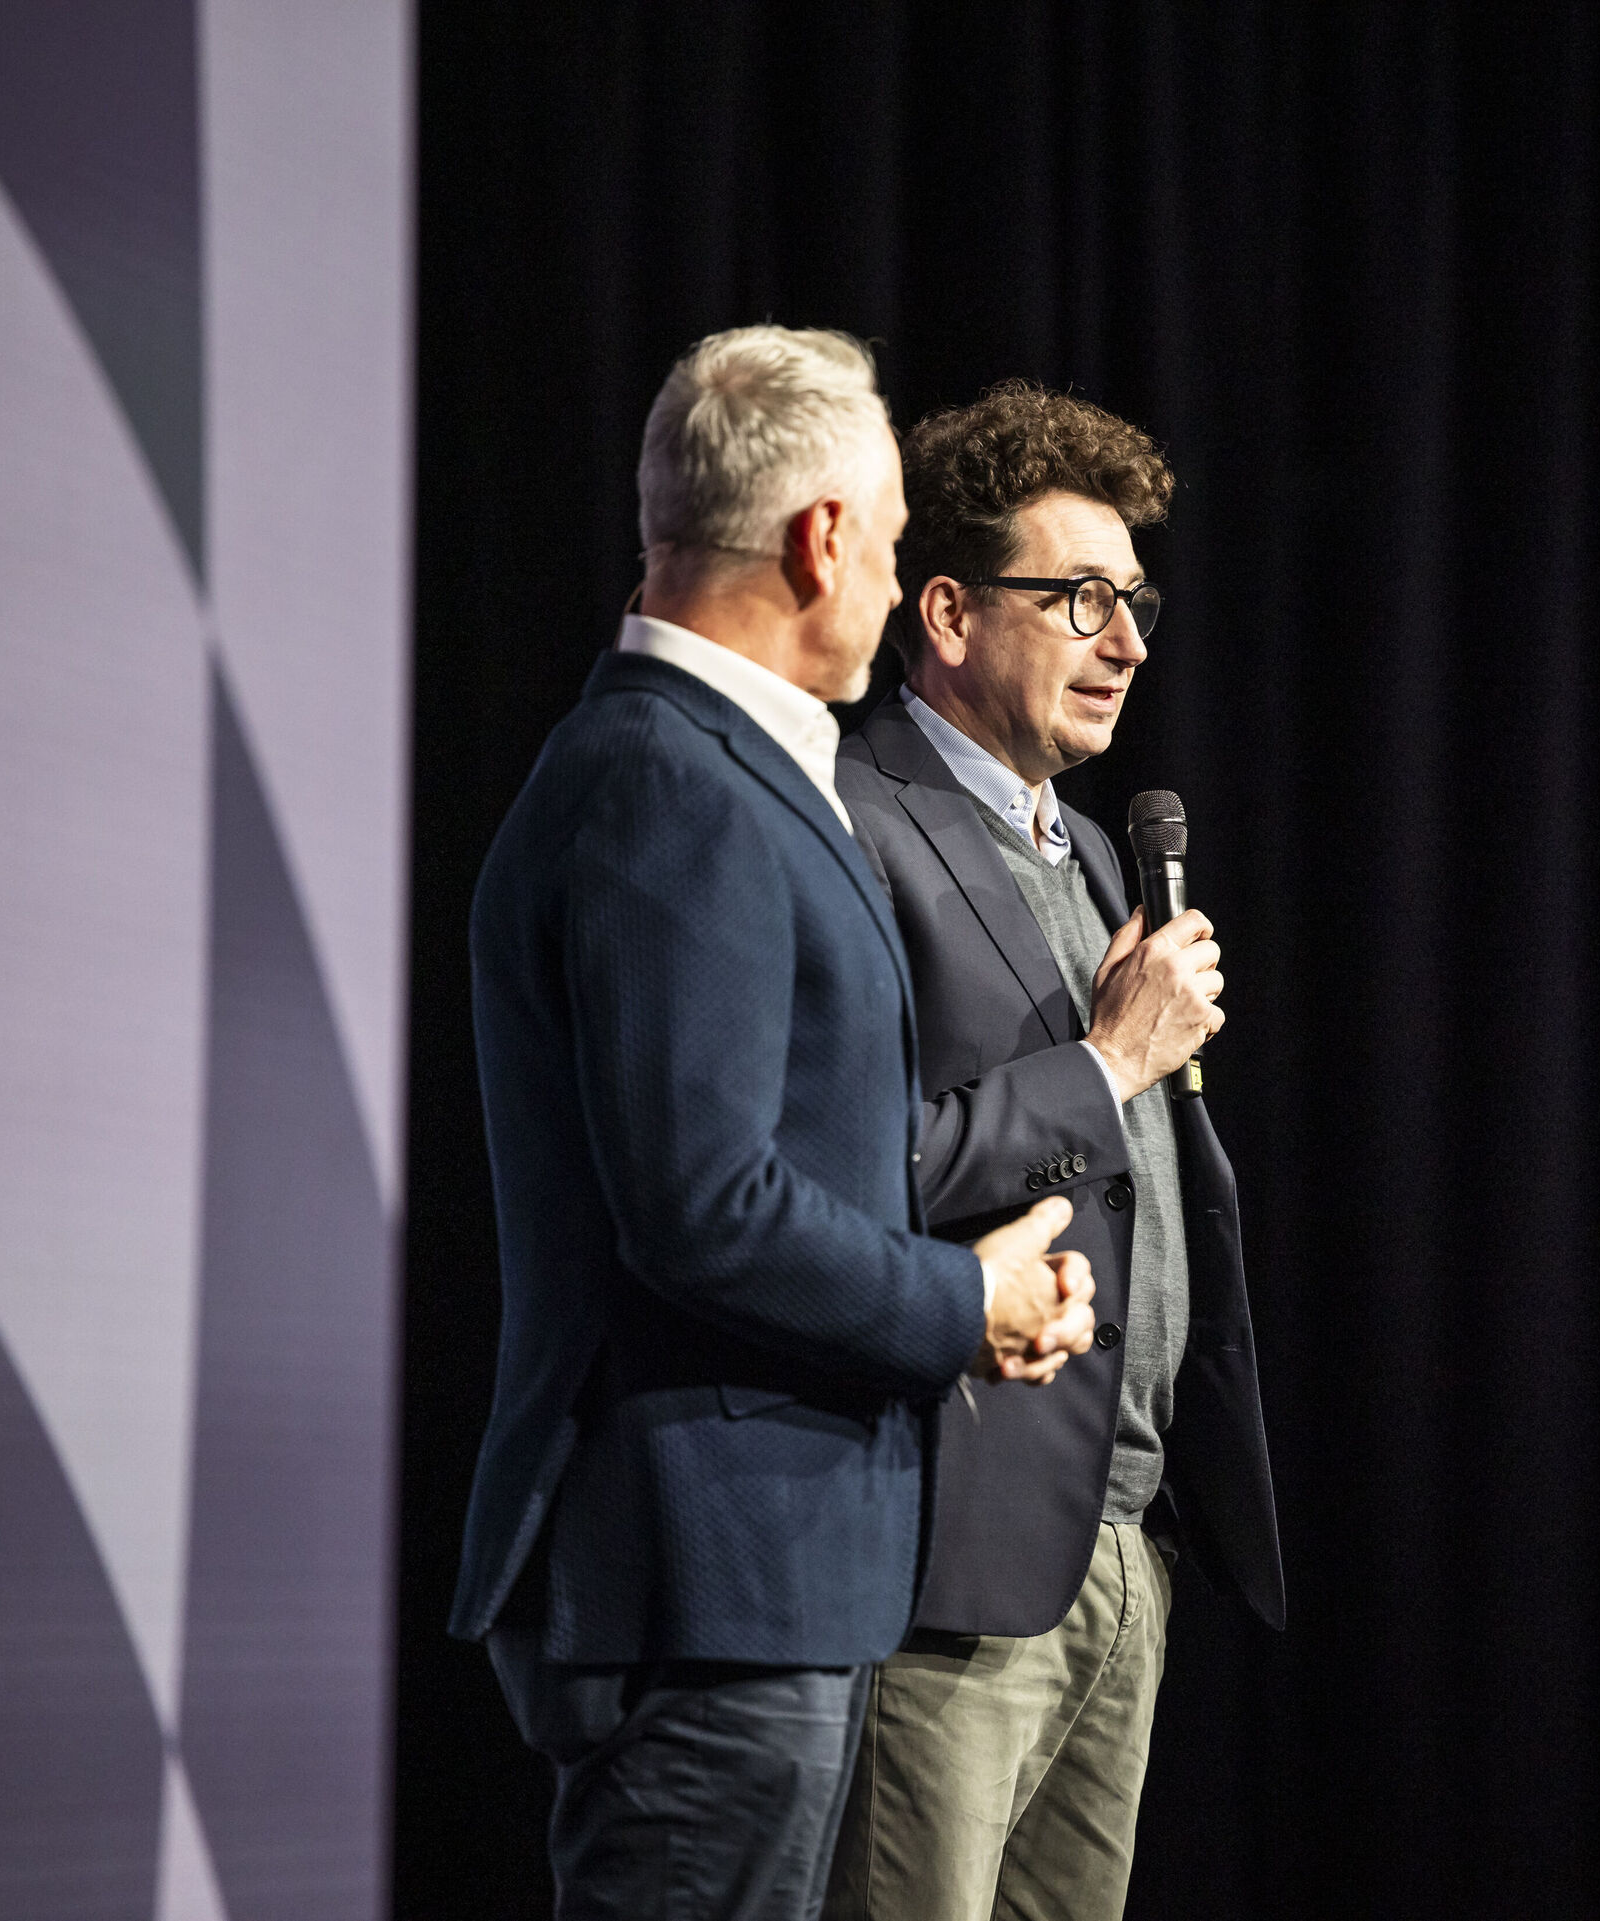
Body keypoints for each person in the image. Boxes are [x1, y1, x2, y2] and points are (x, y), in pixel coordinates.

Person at [451, 327, 1098, 1921]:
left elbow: (772, 1153)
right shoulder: (671, 781)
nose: (887, 586)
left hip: (759, 1579)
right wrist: (964, 1301)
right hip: (702, 1586)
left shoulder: (714, 770)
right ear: (821, 542)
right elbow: (703, 1205)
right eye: (886, 547)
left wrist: (987, 1262)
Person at [824, 381, 1284, 1921]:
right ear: (947, 612)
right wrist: (1107, 1062)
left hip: (1123, 1540)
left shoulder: (1091, 850)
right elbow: (844, 1171)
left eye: (1134, 600)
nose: (1129, 641)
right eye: (1081, 596)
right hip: (955, 1543)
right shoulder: (852, 820)